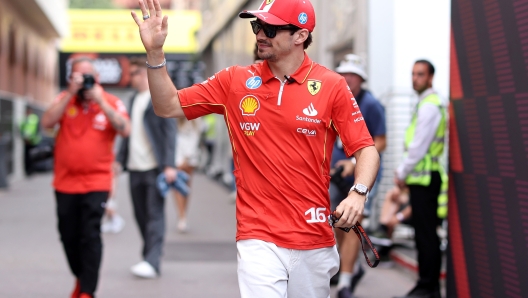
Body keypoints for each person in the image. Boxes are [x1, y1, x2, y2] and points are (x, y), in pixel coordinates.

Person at [131, 0, 380, 297]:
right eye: (257, 25)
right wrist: (155, 53)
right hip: (257, 235)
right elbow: (167, 105)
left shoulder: (331, 85)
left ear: (300, 35)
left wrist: (358, 193)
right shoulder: (234, 80)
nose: (260, 34)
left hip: (313, 235)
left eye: (271, 28)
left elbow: (366, 149)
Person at [41, 57, 130, 298]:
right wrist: (70, 93)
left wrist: (100, 100)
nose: (82, 83)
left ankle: (87, 291)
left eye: (86, 77)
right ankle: (81, 279)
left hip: (96, 182)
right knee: (68, 235)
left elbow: (124, 129)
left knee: (90, 234)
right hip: (65, 182)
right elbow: (46, 123)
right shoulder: (64, 99)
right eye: (76, 77)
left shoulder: (111, 101)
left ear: (97, 78)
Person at [329, 54, 386, 298]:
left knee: (351, 224)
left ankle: (344, 283)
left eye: (352, 75)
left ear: (361, 79)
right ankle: (351, 269)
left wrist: (354, 163)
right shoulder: (332, 98)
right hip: (333, 175)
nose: (347, 78)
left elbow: (380, 142)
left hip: (360, 178)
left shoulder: (371, 104)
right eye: (343, 74)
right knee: (336, 225)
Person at [116, 56, 177, 278]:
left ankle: (152, 261)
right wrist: (119, 159)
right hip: (134, 168)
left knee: (155, 216)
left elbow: (170, 132)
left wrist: (169, 165)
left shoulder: (157, 98)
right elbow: (128, 135)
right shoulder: (132, 100)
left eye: (132, 73)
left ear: (142, 73)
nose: (130, 78)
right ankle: (147, 257)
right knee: (141, 215)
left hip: (154, 168)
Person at [393, 60, 446, 298]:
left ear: (431, 77)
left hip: (425, 179)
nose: (415, 78)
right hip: (421, 179)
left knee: (426, 236)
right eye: (413, 74)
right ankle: (426, 285)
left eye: (420, 74)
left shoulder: (430, 106)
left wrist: (401, 172)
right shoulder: (426, 103)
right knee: (424, 235)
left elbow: (418, 147)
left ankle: (428, 287)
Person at [172, 117, 202, 232]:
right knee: (177, 185)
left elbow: (197, 137)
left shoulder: (196, 118)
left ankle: (183, 213)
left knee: (186, 187)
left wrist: (187, 157)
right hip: (177, 155)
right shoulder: (175, 118)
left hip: (190, 157)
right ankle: (181, 216)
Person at [20, 107, 42, 176]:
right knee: (27, 156)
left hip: (32, 140)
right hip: (27, 141)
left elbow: (33, 129)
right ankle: (28, 170)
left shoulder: (33, 118)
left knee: (32, 156)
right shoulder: (25, 119)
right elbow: (21, 129)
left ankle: (32, 170)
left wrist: (29, 138)